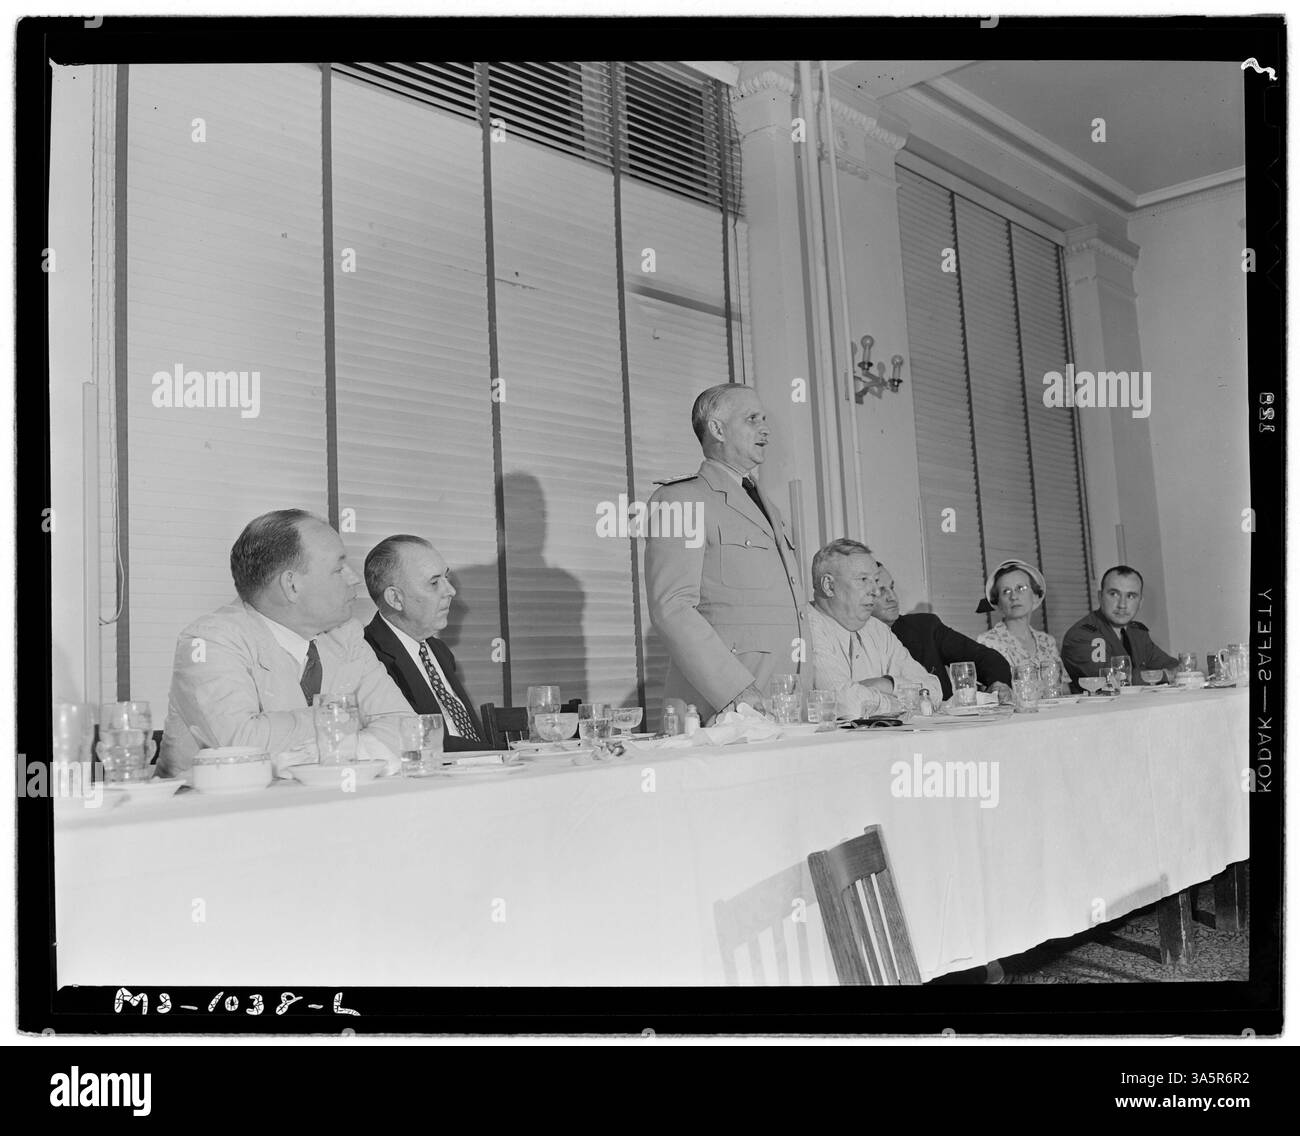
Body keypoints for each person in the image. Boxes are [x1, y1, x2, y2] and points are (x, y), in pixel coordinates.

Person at [158, 509, 409, 778]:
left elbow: (406, 729)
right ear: (291, 585)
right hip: (216, 814)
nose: (354, 578)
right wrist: (344, 722)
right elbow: (241, 747)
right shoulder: (209, 642)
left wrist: (322, 754)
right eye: (338, 569)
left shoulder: (345, 634)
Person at [644, 384, 803, 724]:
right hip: (725, 707)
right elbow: (671, 607)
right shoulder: (681, 500)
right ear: (717, 429)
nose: (766, 429)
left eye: (765, 419)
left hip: (785, 701)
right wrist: (735, 690)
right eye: (752, 419)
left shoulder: (768, 506)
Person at [362, 535, 488, 751]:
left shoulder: (439, 651)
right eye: (434, 583)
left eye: (446, 578)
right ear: (395, 599)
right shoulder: (368, 655)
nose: (450, 591)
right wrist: (493, 754)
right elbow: (416, 741)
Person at [805, 539, 942, 718]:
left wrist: (887, 684)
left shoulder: (877, 629)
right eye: (863, 580)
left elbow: (934, 691)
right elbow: (846, 705)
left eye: (875, 580)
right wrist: (899, 703)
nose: (876, 591)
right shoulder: (804, 628)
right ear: (829, 586)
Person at [870, 562, 1012, 700]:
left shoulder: (924, 628)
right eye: (880, 591)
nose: (892, 598)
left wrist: (997, 686)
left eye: (891, 587)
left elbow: (988, 659)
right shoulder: (855, 642)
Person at [1060, 564, 1178, 689]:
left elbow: (1176, 667)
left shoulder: (1137, 633)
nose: (1122, 605)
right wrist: (1166, 675)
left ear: (1140, 603)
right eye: (1114, 594)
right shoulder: (1082, 635)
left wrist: (1172, 672)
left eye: (1131, 596)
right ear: (1100, 597)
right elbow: (1114, 681)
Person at [975, 559, 1066, 680]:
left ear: (1035, 596)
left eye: (1021, 588)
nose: (1013, 596)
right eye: (1006, 591)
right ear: (998, 603)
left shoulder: (1047, 641)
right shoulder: (987, 643)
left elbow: (1064, 689)